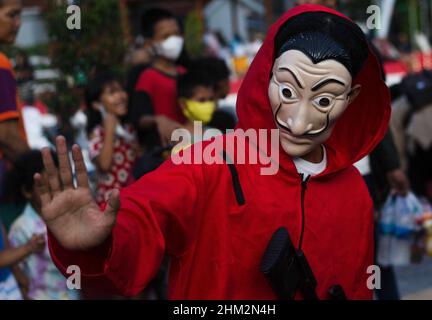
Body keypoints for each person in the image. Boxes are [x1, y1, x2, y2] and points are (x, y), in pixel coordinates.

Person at [37, 5, 391, 299]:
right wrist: (96, 244)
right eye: (286, 91)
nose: (299, 122)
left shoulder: (355, 194)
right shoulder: (211, 165)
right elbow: (142, 215)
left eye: (324, 99)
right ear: (267, 76)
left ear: (353, 98)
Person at [6, 151, 79, 300]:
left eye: (59, 184)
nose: (55, 192)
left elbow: (77, 268)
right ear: (27, 191)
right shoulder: (21, 228)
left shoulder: (72, 217)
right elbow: (16, 272)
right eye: (46, 187)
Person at [131, 8, 186, 148]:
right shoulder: (148, 77)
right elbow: (139, 117)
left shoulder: (184, 72)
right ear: (149, 43)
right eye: (166, 36)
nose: (174, 40)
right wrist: (158, 119)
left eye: (176, 34)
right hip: (164, 149)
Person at [85, 72, 137, 205]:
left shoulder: (129, 128)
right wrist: (109, 130)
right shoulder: (96, 134)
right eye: (112, 93)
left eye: (121, 90)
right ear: (97, 104)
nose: (121, 96)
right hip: (111, 205)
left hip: (133, 198)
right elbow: (104, 164)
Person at [0, 0, 29, 230]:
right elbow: (7, 136)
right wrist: (41, 169)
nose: (18, 24)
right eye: (12, 15)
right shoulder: (0, 63)